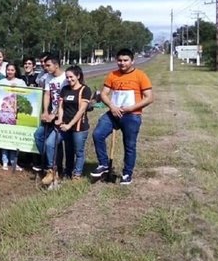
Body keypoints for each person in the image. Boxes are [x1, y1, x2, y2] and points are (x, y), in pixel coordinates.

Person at [90, 48, 153, 185]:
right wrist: (112, 107)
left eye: (125, 60)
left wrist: (131, 108)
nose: (122, 63)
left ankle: (127, 173)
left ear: (132, 61)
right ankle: (104, 164)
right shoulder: (112, 75)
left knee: (129, 145)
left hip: (132, 115)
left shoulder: (140, 76)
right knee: (97, 134)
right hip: (114, 113)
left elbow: (149, 98)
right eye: (119, 60)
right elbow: (104, 94)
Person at [52, 66, 92, 182]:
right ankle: (67, 171)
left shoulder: (85, 90)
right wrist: (60, 119)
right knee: (68, 151)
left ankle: (77, 173)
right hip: (65, 126)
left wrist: (70, 125)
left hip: (79, 127)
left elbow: (81, 111)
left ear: (78, 76)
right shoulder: (65, 89)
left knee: (78, 151)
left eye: (71, 77)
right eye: (67, 77)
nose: (69, 79)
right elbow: (61, 107)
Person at [33, 55, 67, 179]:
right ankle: (50, 164)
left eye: (48, 65)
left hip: (63, 115)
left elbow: (64, 99)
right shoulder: (48, 77)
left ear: (56, 65)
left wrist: (55, 114)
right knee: (38, 136)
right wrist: (46, 111)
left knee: (51, 143)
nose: (46, 68)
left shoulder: (65, 78)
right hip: (51, 114)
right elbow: (47, 94)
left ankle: (53, 169)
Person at [0, 63, 26, 171]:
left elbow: (25, 94)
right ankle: (4, 161)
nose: (9, 71)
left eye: (12, 70)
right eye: (8, 70)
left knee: (14, 138)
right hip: (4, 113)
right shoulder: (1, 82)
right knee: (5, 137)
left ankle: (14, 161)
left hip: (16, 113)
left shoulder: (21, 82)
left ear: (15, 71)